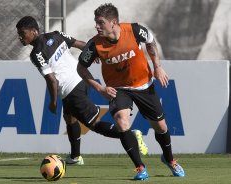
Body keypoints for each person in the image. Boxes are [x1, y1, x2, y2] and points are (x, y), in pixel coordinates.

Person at [15, 16, 148, 165]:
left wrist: (52, 102)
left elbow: (52, 80)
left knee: (95, 125)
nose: (20, 37)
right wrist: (92, 56)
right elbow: (81, 45)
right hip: (81, 81)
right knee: (69, 118)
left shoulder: (36, 54)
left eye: (22, 33)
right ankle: (75, 156)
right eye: (19, 34)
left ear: (34, 31)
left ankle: (130, 134)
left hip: (70, 90)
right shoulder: (56, 34)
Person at [77, 3, 185, 180]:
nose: (97, 26)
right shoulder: (94, 45)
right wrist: (100, 88)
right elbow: (81, 68)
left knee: (161, 127)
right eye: (96, 22)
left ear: (113, 22)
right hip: (118, 89)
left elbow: (151, 42)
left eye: (100, 22)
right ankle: (140, 167)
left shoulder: (134, 30)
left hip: (143, 85)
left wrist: (157, 67)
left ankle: (170, 159)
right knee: (121, 121)